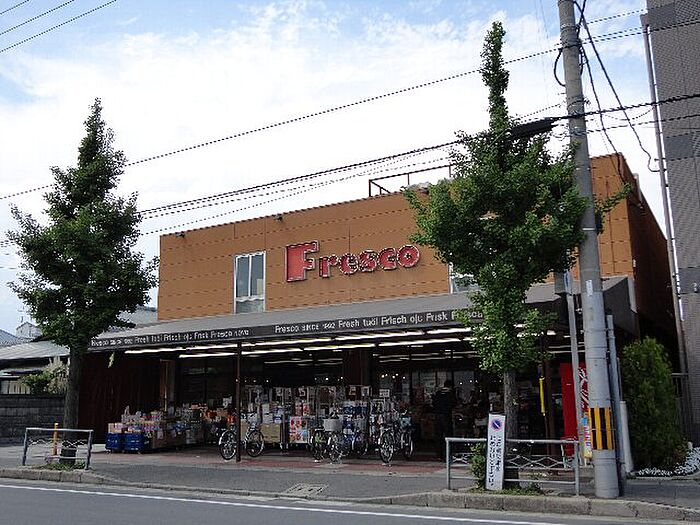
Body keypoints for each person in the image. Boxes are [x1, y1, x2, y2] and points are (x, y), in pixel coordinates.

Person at [432, 379, 457, 460]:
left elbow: (433, 403)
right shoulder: (450, 394)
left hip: (437, 416)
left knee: (438, 436)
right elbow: (454, 404)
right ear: (451, 386)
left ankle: (439, 455)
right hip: (446, 416)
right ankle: (448, 453)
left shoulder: (438, 393)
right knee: (448, 435)